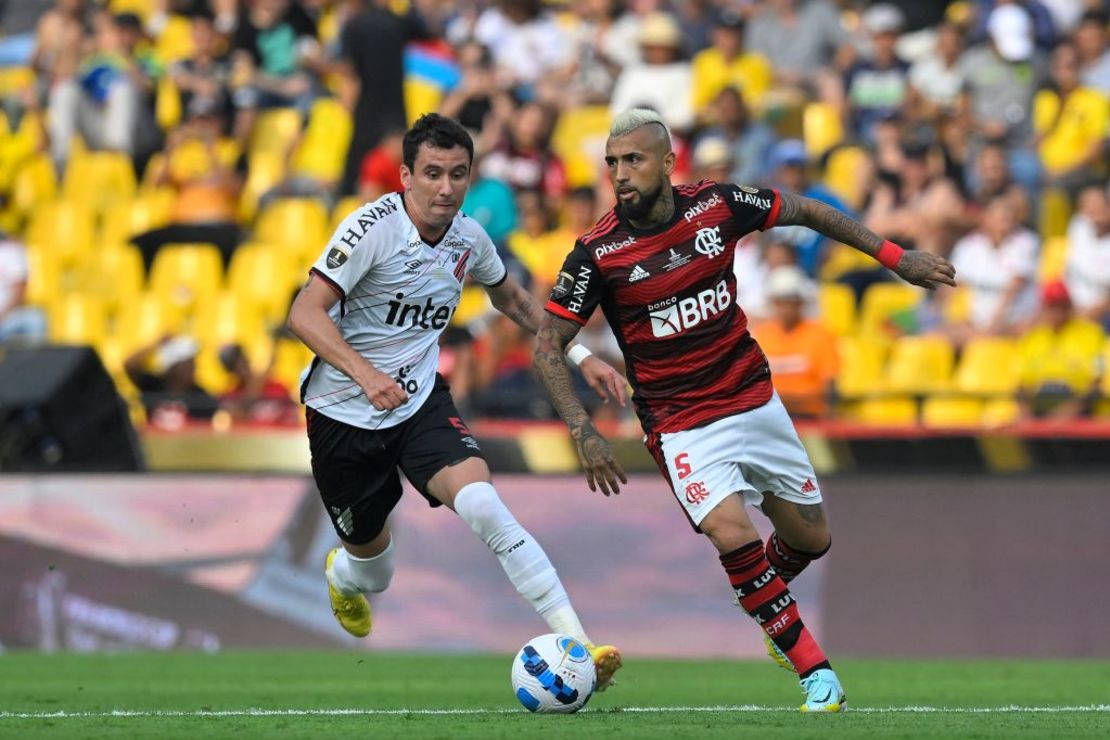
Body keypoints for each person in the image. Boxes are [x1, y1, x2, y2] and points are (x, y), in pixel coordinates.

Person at [532, 109, 956, 712]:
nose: (621, 174)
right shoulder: (599, 252)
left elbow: (807, 211)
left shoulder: (719, 206)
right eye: (613, 163)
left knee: (811, 538)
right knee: (732, 533)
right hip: (679, 422)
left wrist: (895, 257)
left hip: (752, 398)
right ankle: (816, 674)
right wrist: (582, 429)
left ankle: (763, 594)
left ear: (667, 162)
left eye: (634, 160)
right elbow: (546, 345)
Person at [285, 113, 625, 688]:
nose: (446, 188)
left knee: (485, 505)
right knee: (375, 572)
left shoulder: (470, 237)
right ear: (405, 176)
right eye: (433, 174)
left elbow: (516, 304)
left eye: (458, 174)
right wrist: (366, 375)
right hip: (342, 414)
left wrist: (582, 355)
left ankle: (583, 647)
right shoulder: (371, 229)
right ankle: (344, 577)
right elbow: (303, 312)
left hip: (419, 403)